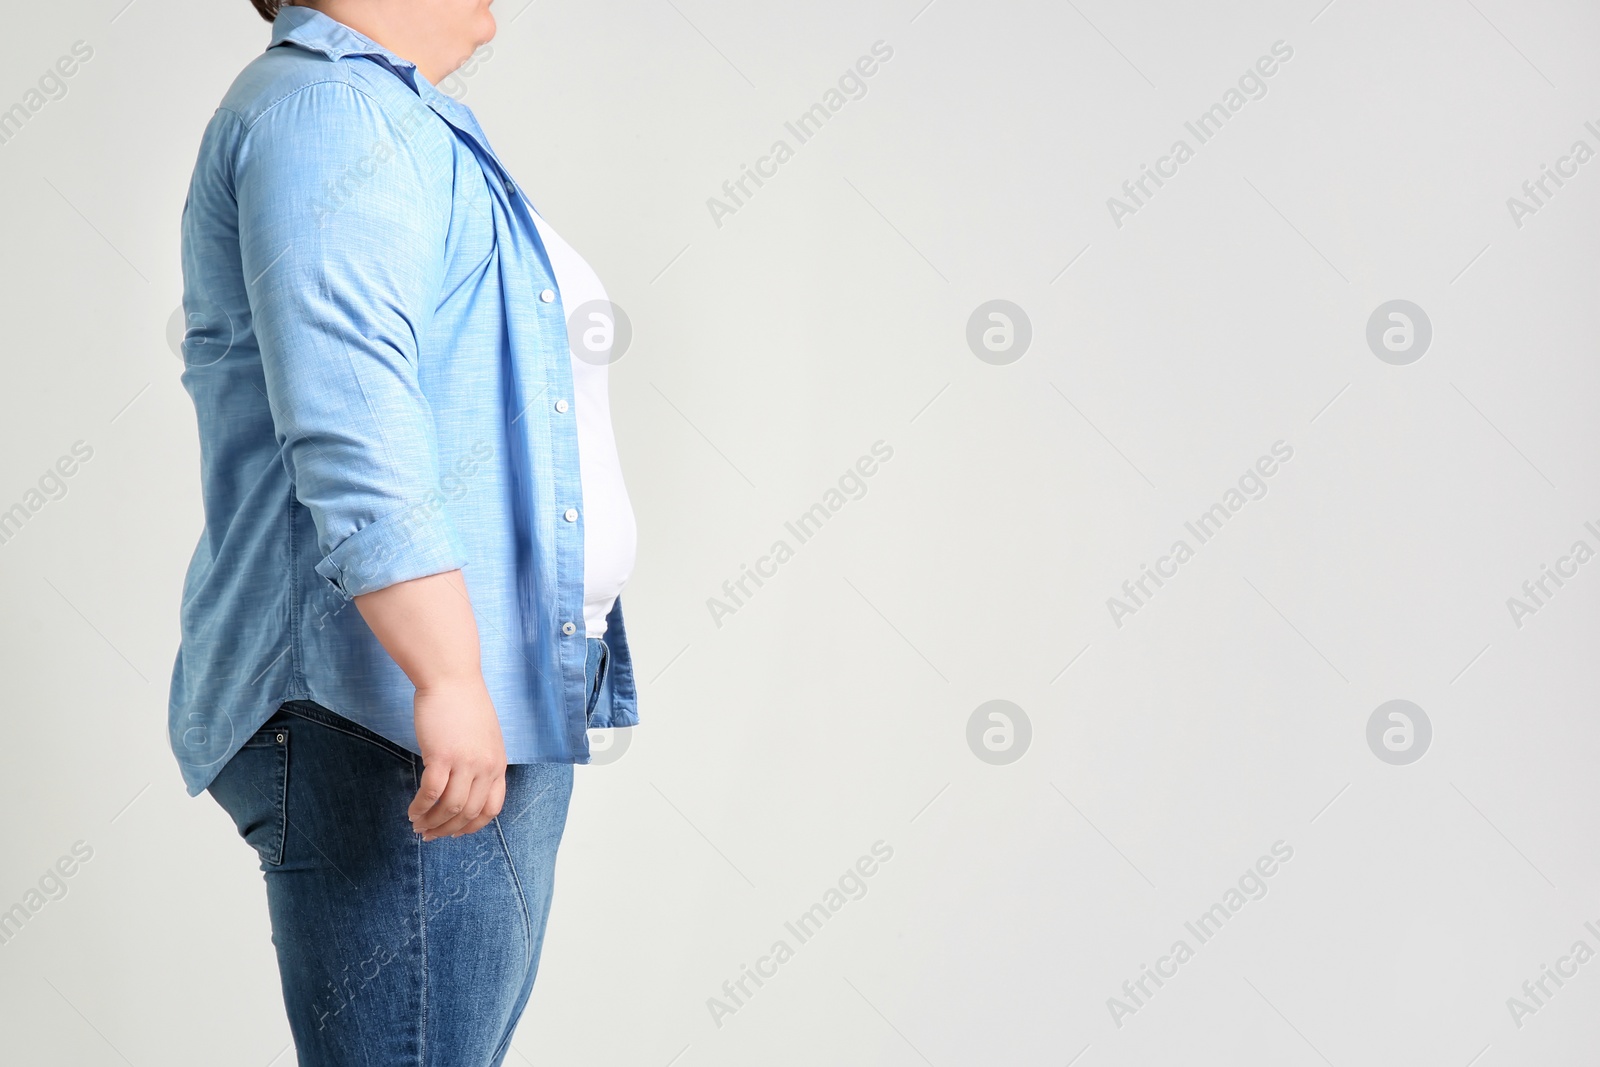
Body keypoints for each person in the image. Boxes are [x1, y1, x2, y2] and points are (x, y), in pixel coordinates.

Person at [169, 0, 639, 1061]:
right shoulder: (327, 113)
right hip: (382, 712)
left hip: (442, 703)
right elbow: (351, 418)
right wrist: (446, 674)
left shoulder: (390, 114)